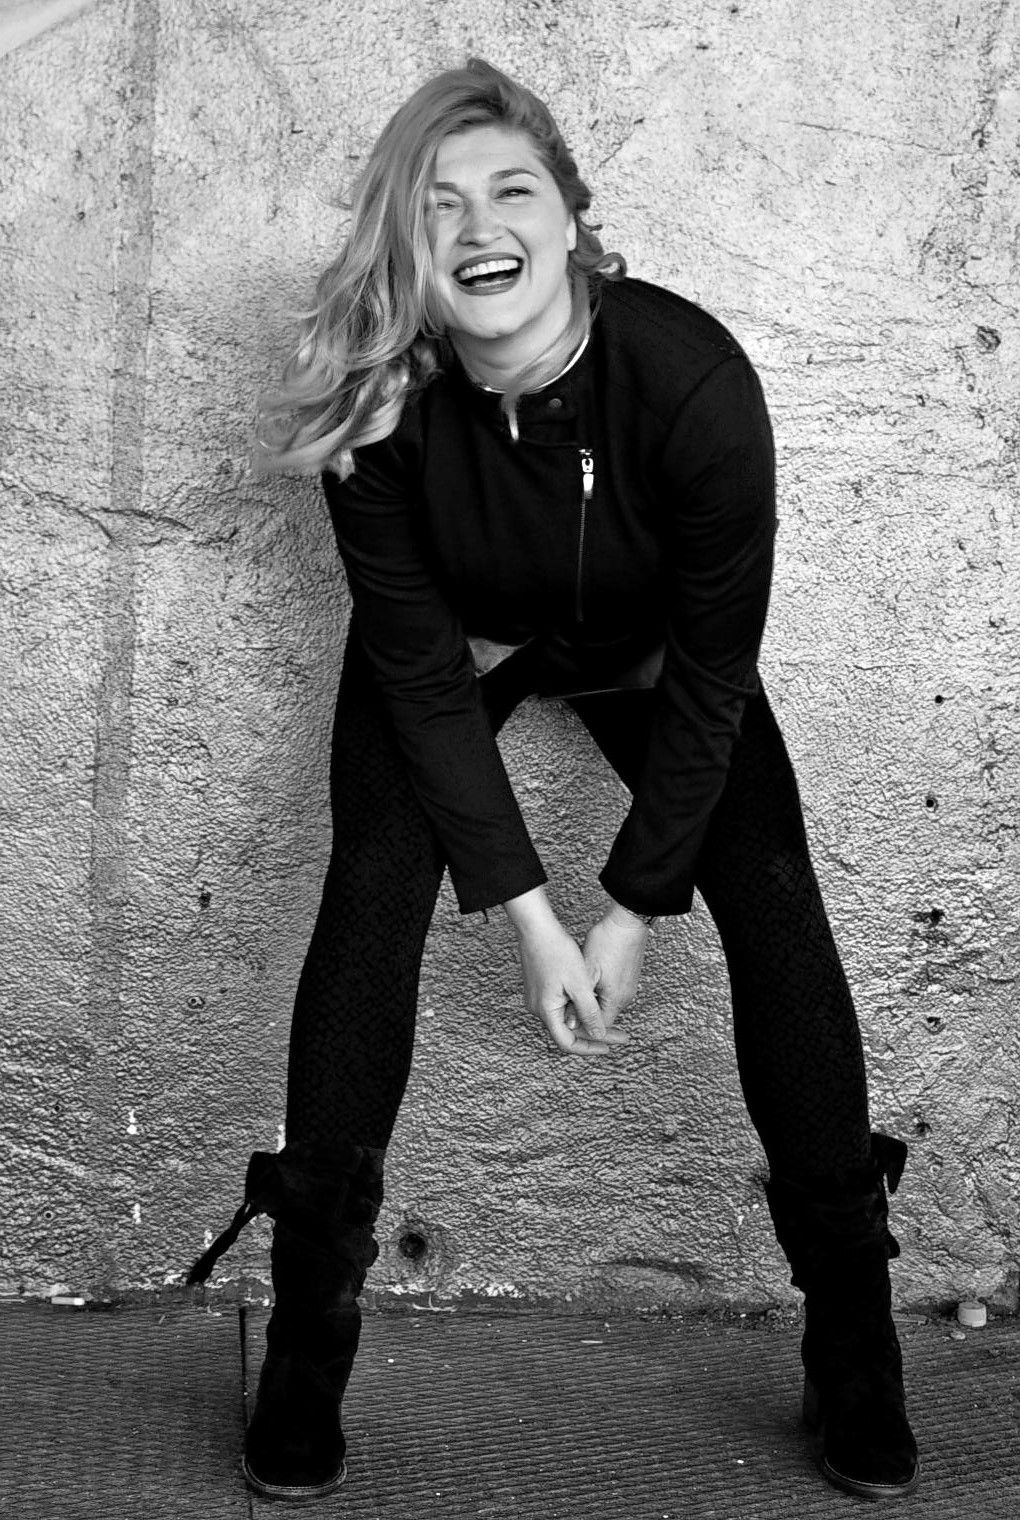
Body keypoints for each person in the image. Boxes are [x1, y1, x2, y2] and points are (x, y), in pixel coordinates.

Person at [188, 57, 919, 1506]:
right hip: (455, 655)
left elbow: (714, 671)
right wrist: (530, 915)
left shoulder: (692, 382)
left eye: (509, 189)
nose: (478, 227)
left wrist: (634, 904)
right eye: (438, 204)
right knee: (374, 880)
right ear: (409, 247)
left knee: (773, 888)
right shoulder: (380, 409)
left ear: (572, 217)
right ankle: (309, 1346)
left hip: (655, 660)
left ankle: (857, 1337)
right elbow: (418, 680)